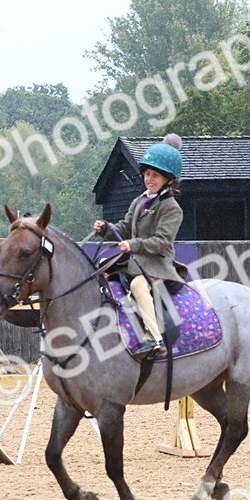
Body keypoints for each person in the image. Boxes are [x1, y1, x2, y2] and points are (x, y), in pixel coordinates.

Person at [93, 134, 185, 360]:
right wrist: (105, 229)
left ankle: (154, 338)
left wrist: (133, 245)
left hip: (158, 266)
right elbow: (124, 228)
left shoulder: (172, 208)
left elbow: (162, 241)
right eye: (147, 174)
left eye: (155, 176)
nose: (149, 179)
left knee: (138, 285)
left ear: (169, 180)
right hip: (135, 262)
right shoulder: (139, 201)